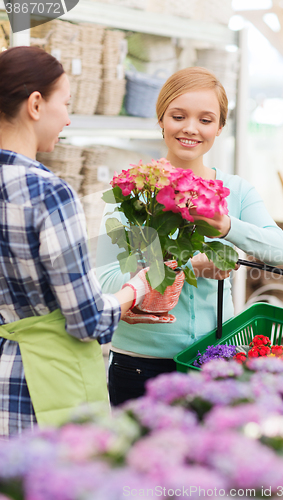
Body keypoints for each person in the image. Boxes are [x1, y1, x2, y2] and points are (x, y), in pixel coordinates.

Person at [96, 66, 283, 406]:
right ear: (161, 119)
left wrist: (226, 226)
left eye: (205, 120)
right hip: (139, 367)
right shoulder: (132, 193)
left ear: (219, 128)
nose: (190, 128)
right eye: (178, 115)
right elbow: (107, 282)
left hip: (214, 361)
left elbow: (281, 251)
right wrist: (187, 267)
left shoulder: (237, 192)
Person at [0, 46, 154, 437]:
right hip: (42, 388)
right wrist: (135, 290)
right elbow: (87, 319)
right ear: (35, 104)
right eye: (64, 104)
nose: (68, 118)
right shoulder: (48, 192)